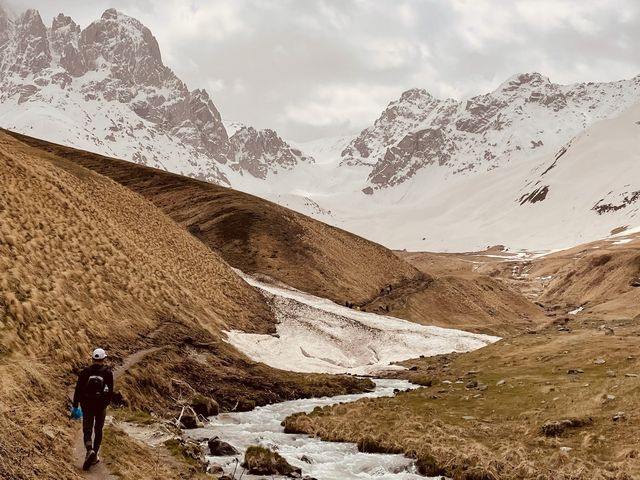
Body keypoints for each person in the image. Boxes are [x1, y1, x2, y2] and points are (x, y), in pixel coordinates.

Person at [72, 348, 114, 470]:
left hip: (87, 405)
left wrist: (75, 405)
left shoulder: (86, 371)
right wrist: (105, 403)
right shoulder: (107, 372)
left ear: (92, 358)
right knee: (98, 429)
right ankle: (95, 454)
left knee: (87, 429)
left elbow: (78, 389)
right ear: (103, 359)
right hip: (100, 406)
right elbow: (110, 391)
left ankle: (89, 449)